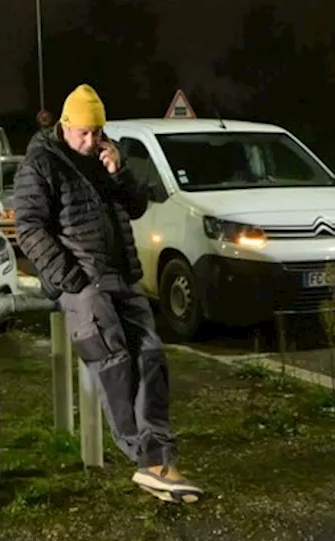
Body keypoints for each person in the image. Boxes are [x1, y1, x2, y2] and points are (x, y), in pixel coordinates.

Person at [13, 84, 204, 503]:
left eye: (97, 132)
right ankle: (149, 461)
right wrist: (70, 279)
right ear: (65, 125)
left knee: (151, 356)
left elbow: (136, 206)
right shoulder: (40, 164)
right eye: (83, 132)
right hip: (83, 281)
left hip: (123, 277)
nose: (90, 140)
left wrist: (120, 171)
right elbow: (28, 227)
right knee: (115, 360)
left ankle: (159, 457)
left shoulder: (106, 154)